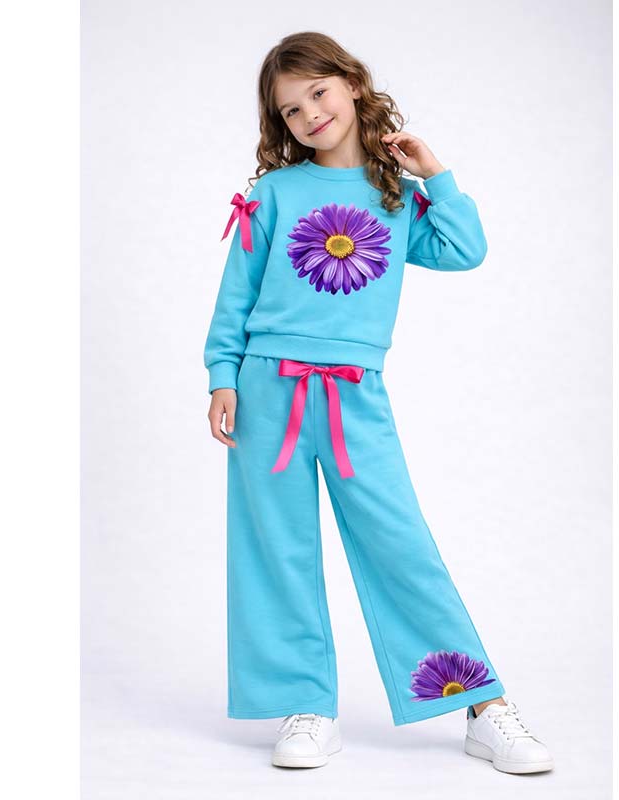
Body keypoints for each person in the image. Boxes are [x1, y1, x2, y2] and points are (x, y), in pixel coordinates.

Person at [203, 31, 554, 774]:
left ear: (353, 84)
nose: (309, 114)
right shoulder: (272, 194)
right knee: (276, 548)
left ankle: (481, 705)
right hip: (266, 389)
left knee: (400, 542)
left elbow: (464, 250)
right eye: (291, 110)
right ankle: (305, 704)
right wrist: (221, 375)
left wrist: (437, 176)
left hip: (353, 394)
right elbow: (236, 294)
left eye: (318, 93)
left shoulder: (396, 195)